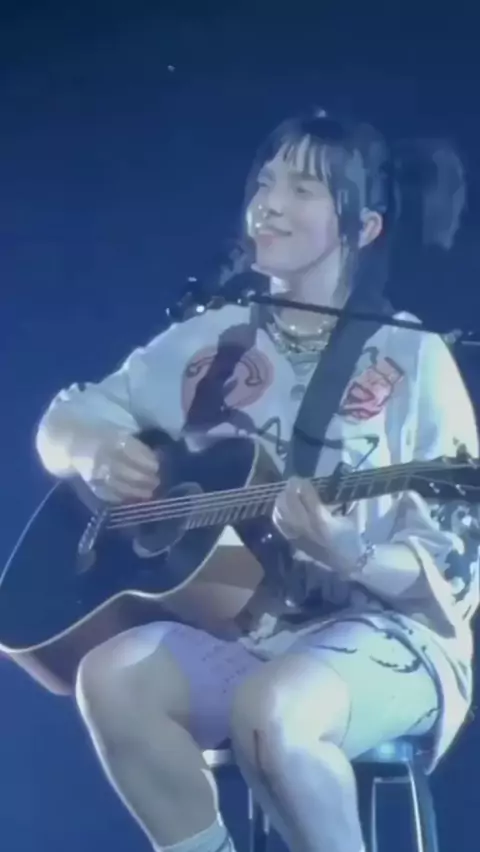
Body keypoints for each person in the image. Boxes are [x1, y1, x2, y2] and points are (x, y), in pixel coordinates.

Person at [35, 111, 478, 852]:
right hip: (253, 630)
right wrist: (95, 451)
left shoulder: (413, 357)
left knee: (272, 712)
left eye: (301, 189)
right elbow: (66, 419)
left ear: (363, 227)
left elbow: (458, 566)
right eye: (265, 183)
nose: (267, 205)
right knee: (111, 676)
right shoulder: (213, 336)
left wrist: (353, 554)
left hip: (389, 635)